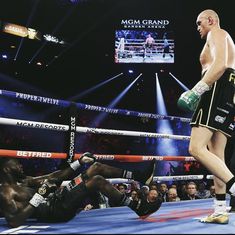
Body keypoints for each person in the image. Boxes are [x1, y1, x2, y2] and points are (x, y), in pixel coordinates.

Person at [177, 9, 235, 224]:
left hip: (215, 88)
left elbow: (219, 65)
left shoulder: (217, 33)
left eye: (200, 22)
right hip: (228, 91)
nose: (198, 27)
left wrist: (196, 90)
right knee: (216, 154)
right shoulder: (227, 39)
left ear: (211, 20)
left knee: (195, 148)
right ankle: (220, 210)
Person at [0, 153, 162, 228]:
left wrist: (78, 162)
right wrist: (38, 196)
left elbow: (55, 176)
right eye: (16, 163)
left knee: (96, 167)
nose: (20, 165)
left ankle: (140, 176)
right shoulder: (6, 192)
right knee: (96, 181)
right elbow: (14, 221)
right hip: (56, 211)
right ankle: (138, 207)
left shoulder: (24, 180)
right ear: (6, 169)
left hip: (61, 198)